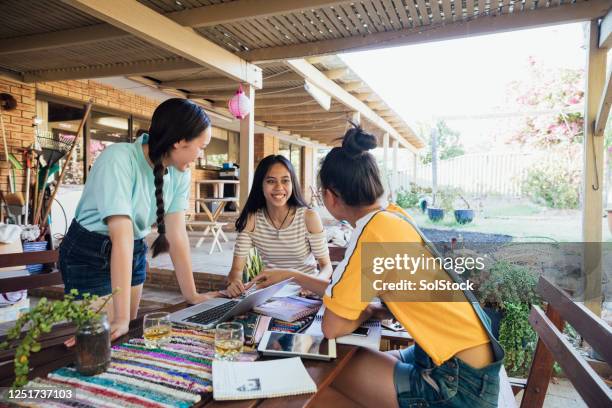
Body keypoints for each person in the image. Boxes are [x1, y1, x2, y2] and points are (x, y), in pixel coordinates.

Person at [251, 125, 504, 407]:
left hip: (456, 385)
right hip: (465, 366)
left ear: (330, 196)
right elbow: (340, 293)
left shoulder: (372, 233)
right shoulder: (393, 218)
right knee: (327, 379)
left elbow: (332, 327)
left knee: (323, 367)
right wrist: (293, 275)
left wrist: (369, 309)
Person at [59, 98, 220, 342]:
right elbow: (120, 236)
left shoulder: (179, 172)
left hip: (132, 250)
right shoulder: (118, 159)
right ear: (179, 141)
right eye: (202, 146)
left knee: (124, 337)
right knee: (99, 340)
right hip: (89, 253)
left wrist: (193, 295)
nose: (202, 154)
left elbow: (177, 235)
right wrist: (121, 317)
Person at [225, 155, 332, 298]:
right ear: (260, 184)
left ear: (292, 183)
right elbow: (236, 270)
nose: (279, 187)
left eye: (285, 181)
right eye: (271, 181)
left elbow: (326, 266)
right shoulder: (252, 219)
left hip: (306, 294)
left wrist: (316, 284)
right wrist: (234, 282)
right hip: (269, 295)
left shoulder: (309, 217)